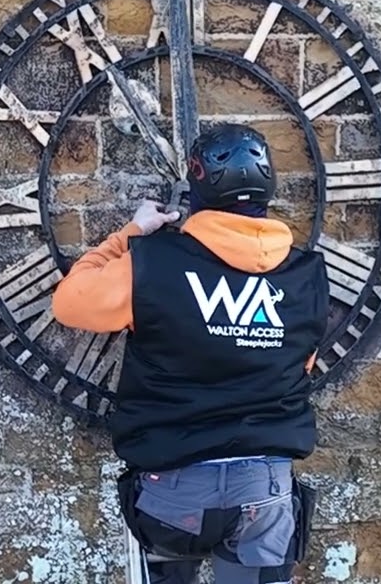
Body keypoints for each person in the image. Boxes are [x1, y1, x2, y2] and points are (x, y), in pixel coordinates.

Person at [51, 123, 328, 584]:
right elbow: (303, 363)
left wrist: (132, 232)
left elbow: (69, 303)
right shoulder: (306, 275)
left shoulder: (153, 263)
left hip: (173, 492)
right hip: (264, 490)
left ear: (198, 190)